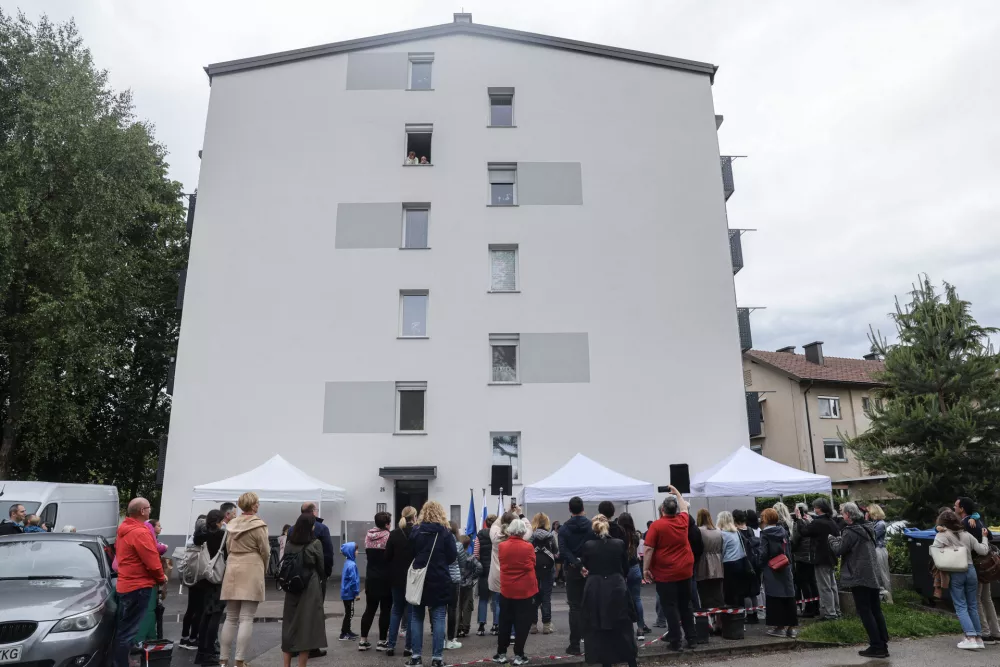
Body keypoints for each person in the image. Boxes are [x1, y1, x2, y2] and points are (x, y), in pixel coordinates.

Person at [830, 502, 890, 657]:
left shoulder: (850, 532)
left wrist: (832, 539)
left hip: (858, 574)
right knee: (875, 609)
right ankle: (883, 643)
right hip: (872, 573)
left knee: (864, 610)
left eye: (842, 513)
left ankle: (876, 646)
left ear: (848, 515)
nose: (841, 516)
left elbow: (839, 549)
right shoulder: (868, 527)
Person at [113, 498, 167, 667]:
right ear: (143, 511)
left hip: (126, 584)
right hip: (138, 586)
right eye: (149, 508)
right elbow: (152, 561)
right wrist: (161, 578)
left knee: (124, 629)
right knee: (128, 632)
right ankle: (121, 664)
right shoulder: (140, 533)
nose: (150, 511)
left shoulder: (125, 529)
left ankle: (123, 661)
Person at [220, 492, 270, 667]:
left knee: (231, 617)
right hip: (252, 566)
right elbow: (265, 551)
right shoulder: (259, 526)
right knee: (247, 618)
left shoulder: (231, 524)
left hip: (233, 566)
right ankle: (239, 660)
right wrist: (263, 567)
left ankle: (223, 660)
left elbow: (227, 547)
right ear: (254, 505)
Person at [642, 487, 695, 652]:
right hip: (685, 570)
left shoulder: (657, 526)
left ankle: (675, 639)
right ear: (675, 510)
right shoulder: (683, 521)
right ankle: (692, 638)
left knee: (670, 606)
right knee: (686, 605)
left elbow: (649, 549)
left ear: (662, 510)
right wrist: (677, 492)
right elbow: (685, 507)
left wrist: (646, 569)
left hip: (666, 573)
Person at [582, 515, 637, 667]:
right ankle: (631, 660)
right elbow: (625, 568)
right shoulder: (619, 544)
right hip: (616, 586)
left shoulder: (588, 545)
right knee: (623, 625)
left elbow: (586, 564)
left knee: (598, 624)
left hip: (595, 588)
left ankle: (604, 660)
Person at [407, 501, 457, 667]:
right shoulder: (445, 533)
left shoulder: (416, 531)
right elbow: (452, 557)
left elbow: (411, 553)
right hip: (439, 578)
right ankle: (437, 658)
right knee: (439, 618)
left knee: (416, 617)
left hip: (419, 579)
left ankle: (415, 657)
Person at [934, 509, 991, 651]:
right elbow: (983, 550)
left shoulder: (942, 536)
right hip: (971, 571)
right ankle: (978, 638)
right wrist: (984, 537)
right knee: (972, 604)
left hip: (955, 572)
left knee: (961, 605)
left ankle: (970, 637)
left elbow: (934, 552)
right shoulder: (967, 535)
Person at [281, 512, 328, 667]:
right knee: (307, 627)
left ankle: (286, 664)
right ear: (311, 526)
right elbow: (321, 567)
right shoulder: (315, 544)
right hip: (310, 586)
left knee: (289, 625)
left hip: (291, 586)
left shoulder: (289, 544)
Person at [954, 497, 1000, 642]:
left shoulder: (966, 523)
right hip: (986, 564)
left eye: (956, 506)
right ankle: (996, 632)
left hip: (976, 565)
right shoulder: (976, 520)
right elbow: (990, 535)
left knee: (976, 599)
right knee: (987, 599)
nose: (954, 508)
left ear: (962, 509)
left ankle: (985, 632)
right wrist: (974, 517)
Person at [495, 517, 537, 666]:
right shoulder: (528, 547)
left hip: (506, 589)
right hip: (525, 590)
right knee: (522, 623)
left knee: (504, 621)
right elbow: (532, 563)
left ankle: (501, 653)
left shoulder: (502, 546)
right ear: (523, 531)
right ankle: (519, 654)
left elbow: (502, 562)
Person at [559, 496, 596, 655]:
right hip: (589, 568)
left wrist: (576, 563)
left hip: (573, 569)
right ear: (583, 508)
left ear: (569, 509)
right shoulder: (591, 526)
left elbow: (563, 551)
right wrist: (584, 563)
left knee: (575, 607)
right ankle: (591, 644)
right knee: (590, 606)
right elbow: (594, 546)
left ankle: (574, 645)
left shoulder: (564, 529)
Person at [490, 507, 533, 637]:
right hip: (516, 577)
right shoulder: (523, 537)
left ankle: (501, 629)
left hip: (498, 575)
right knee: (515, 606)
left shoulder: (496, 537)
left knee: (499, 604)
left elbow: (494, 525)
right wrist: (520, 514)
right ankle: (514, 632)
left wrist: (504, 513)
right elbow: (528, 527)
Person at [796, 497, 841, 621]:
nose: (814, 509)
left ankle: (830, 613)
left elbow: (804, 532)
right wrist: (811, 521)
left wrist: (799, 519)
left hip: (820, 557)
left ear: (819, 508)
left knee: (824, 586)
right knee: (832, 585)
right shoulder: (831, 521)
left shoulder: (818, 523)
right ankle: (836, 610)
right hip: (831, 556)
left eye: (815, 507)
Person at [192, 510, 227, 666]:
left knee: (204, 615)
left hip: (202, 578)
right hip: (216, 578)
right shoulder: (222, 536)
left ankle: (201, 652)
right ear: (219, 521)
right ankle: (209, 653)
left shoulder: (199, 535)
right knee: (215, 616)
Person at [756, 508, 798, 639]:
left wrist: (760, 565)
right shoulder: (783, 531)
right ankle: (791, 628)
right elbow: (789, 550)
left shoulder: (765, 535)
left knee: (774, 597)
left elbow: (763, 553)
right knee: (789, 595)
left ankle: (779, 627)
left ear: (765, 519)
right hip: (785, 566)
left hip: (772, 568)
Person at [358, 511, 393, 650]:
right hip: (385, 578)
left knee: (370, 609)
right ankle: (382, 641)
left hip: (371, 577)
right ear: (386, 524)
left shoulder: (368, 535)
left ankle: (363, 640)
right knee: (385, 610)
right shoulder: (389, 537)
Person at [385, 506, 417, 657]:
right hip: (412, 578)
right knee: (411, 612)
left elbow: (387, 557)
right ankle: (408, 647)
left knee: (396, 610)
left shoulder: (394, 534)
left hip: (396, 578)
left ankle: (390, 646)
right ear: (414, 517)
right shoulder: (417, 533)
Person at [617, 512, 649, 640]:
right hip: (635, 568)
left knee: (623, 600)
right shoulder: (636, 535)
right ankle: (640, 629)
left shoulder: (619, 535)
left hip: (622, 569)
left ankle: (627, 629)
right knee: (637, 599)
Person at [529, 512, 558, 635]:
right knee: (546, 597)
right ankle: (546, 625)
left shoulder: (531, 536)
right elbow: (556, 551)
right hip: (548, 568)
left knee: (533, 596)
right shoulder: (550, 536)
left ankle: (533, 625)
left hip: (533, 569)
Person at [791, 503, 819, 618]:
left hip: (802, 556)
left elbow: (796, 538)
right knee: (812, 582)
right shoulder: (811, 519)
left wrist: (791, 547)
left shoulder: (799, 522)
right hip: (811, 554)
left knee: (804, 582)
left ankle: (809, 608)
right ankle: (816, 607)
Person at [717, 511, 750, 610]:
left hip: (728, 564)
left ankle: (732, 614)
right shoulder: (736, 532)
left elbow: (721, 551)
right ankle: (741, 612)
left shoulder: (723, 534)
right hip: (740, 562)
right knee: (739, 590)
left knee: (729, 591)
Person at [733, 509, 761, 623]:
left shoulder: (736, 532)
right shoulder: (750, 530)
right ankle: (755, 614)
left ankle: (749, 615)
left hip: (744, 562)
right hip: (754, 562)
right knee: (753, 591)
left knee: (745, 592)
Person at [695, 509, 725, 611]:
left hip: (703, 563)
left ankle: (709, 619)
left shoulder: (699, 531)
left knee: (705, 593)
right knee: (717, 592)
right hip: (718, 562)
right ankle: (720, 619)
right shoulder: (718, 531)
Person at [478, 514, 499, 636]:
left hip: (484, 570)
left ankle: (481, 626)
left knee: (483, 599)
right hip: (496, 570)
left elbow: (476, 553)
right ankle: (496, 625)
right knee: (497, 600)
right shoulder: (499, 534)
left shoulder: (480, 534)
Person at [458, 534, 482, 639]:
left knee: (457, 606)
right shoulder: (471, 557)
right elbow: (480, 567)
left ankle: (458, 627)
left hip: (457, 584)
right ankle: (465, 628)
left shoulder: (456, 557)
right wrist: (473, 577)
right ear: (468, 546)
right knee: (467, 606)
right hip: (468, 584)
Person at [868, 504, 893, 605]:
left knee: (882, 573)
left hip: (879, 549)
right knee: (878, 573)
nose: (867, 514)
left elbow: (872, 537)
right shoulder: (875, 523)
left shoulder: (880, 524)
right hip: (877, 549)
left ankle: (887, 595)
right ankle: (883, 595)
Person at [446, 521, 464, 649]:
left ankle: (440, 638)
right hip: (454, 579)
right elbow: (463, 563)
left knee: (440, 610)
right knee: (452, 609)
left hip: (441, 578)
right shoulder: (458, 545)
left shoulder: (440, 543)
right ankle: (451, 638)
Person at [340, 541, 360, 640]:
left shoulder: (348, 563)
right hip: (349, 593)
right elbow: (353, 581)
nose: (357, 552)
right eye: (355, 550)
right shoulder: (352, 565)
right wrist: (356, 593)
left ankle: (348, 630)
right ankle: (344, 633)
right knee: (349, 613)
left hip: (345, 592)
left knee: (348, 612)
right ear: (350, 551)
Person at [552, 521, 565, 586]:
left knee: (564, 567)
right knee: (557, 568)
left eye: (558, 524)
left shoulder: (562, 533)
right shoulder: (552, 534)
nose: (558, 526)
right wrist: (554, 553)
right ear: (553, 526)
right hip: (555, 553)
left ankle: (564, 580)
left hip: (562, 552)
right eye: (556, 524)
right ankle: (554, 580)